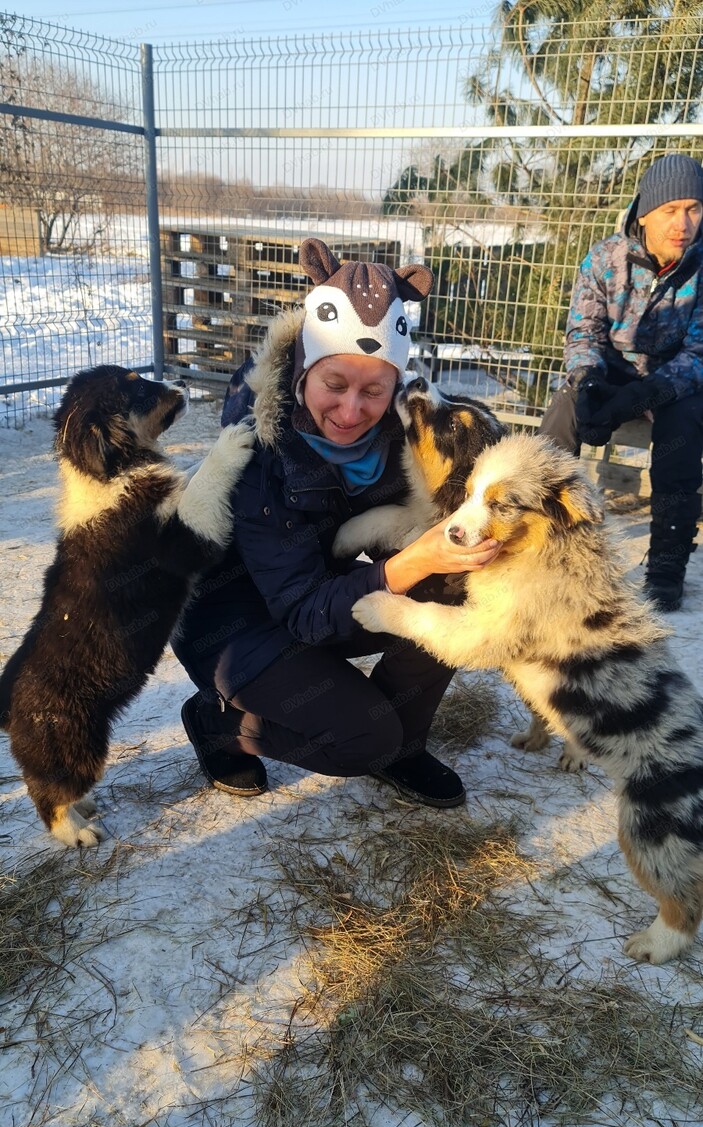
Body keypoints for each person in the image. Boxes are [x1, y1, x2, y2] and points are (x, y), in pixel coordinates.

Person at [172, 238, 501, 807]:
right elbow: (303, 612)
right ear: (303, 373)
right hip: (235, 625)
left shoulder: (397, 433)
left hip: (318, 592)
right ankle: (219, 722)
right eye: (335, 385)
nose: (351, 412)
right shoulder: (258, 451)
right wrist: (410, 562)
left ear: (395, 386)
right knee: (363, 740)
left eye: (373, 390)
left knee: (452, 584)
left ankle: (403, 744)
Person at [541, 152, 703, 611]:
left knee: (685, 427)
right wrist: (589, 381)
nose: (682, 223)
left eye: (694, 208)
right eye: (670, 210)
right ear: (645, 213)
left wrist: (644, 395)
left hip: (675, 380)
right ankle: (544, 543)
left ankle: (667, 566)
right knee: (564, 410)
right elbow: (583, 332)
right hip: (609, 370)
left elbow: (699, 353)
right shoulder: (605, 258)